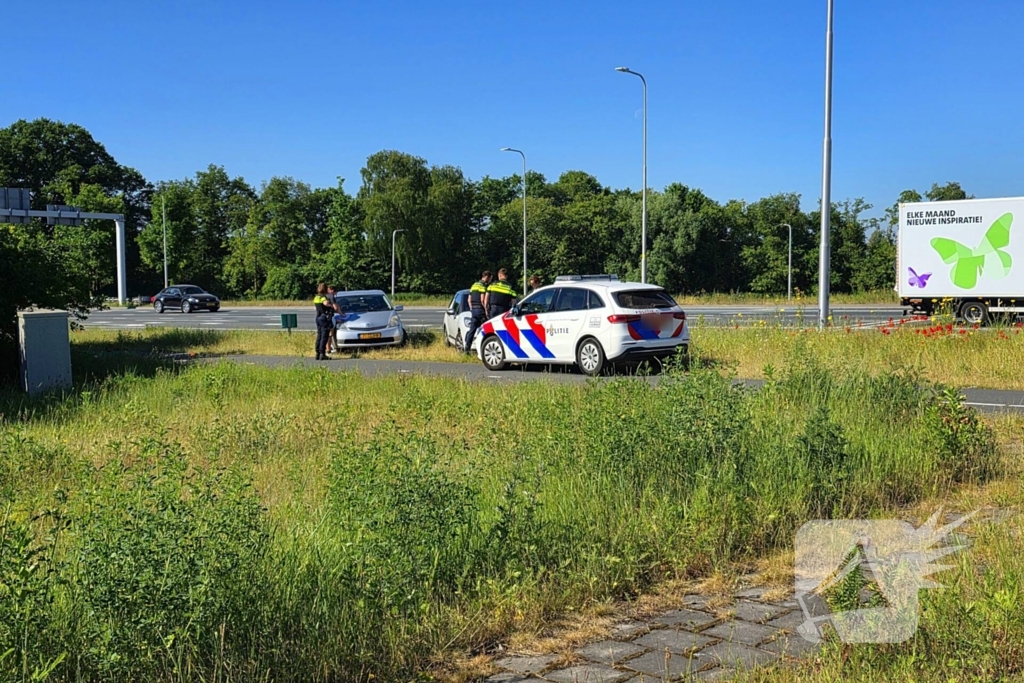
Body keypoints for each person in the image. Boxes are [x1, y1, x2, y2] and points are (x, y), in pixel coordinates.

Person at [464, 270, 492, 353]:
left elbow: (469, 300)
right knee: (487, 327)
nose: (490, 281)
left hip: (474, 310)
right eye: (490, 279)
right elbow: (482, 300)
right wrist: (486, 311)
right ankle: (485, 348)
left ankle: (467, 348)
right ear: (487, 277)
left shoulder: (474, 285)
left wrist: (472, 308)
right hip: (480, 310)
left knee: (472, 330)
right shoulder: (482, 286)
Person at [313, 283, 333, 360]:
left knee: (319, 335)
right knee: (324, 336)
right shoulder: (323, 297)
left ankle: (317, 353)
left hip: (318, 317)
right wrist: (330, 305)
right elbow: (325, 303)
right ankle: (322, 354)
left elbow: (315, 307)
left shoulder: (316, 297)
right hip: (324, 317)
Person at [326, 284, 340, 353]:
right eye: (335, 293)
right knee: (330, 334)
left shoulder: (323, 296)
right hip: (330, 317)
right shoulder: (331, 296)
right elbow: (336, 308)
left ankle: (327, 348)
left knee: (324, 333)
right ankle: (328, 348)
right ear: (333, 290)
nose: (335, 294)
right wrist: (342, 314)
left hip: (322, 317)